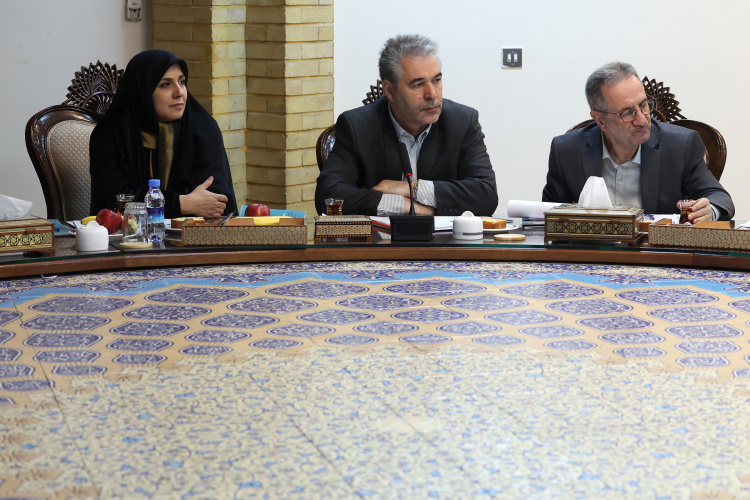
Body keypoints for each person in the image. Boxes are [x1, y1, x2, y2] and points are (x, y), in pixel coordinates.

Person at [314, 34, 498, 217]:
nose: (432, 94)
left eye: (436, 80)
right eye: (418, 85)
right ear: (389, 90)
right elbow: (328, 195)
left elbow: (486, 195)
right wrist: (404, 206)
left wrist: (410, 188)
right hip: (381, 236)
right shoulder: (358, 126)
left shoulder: (462, 122)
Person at [542, 61, 734, 222]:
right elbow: (546, 215)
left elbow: (719, 197)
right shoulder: (566, 151)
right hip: (590, 250)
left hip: (655, 250)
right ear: (600, 120)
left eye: (644, 105)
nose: (642, 120)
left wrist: (709, 211)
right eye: (627, 113)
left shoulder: (681, 146)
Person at [90, 49, 237, 219]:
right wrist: (181, 204)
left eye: (181, 82)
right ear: (143, 91)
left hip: (192, 233)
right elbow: (112, 203)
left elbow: (216, 202)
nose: (179, 92)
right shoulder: (111, 134)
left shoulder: (203, 129)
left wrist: (151, 202)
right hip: (127, 234)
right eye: (165, 85)